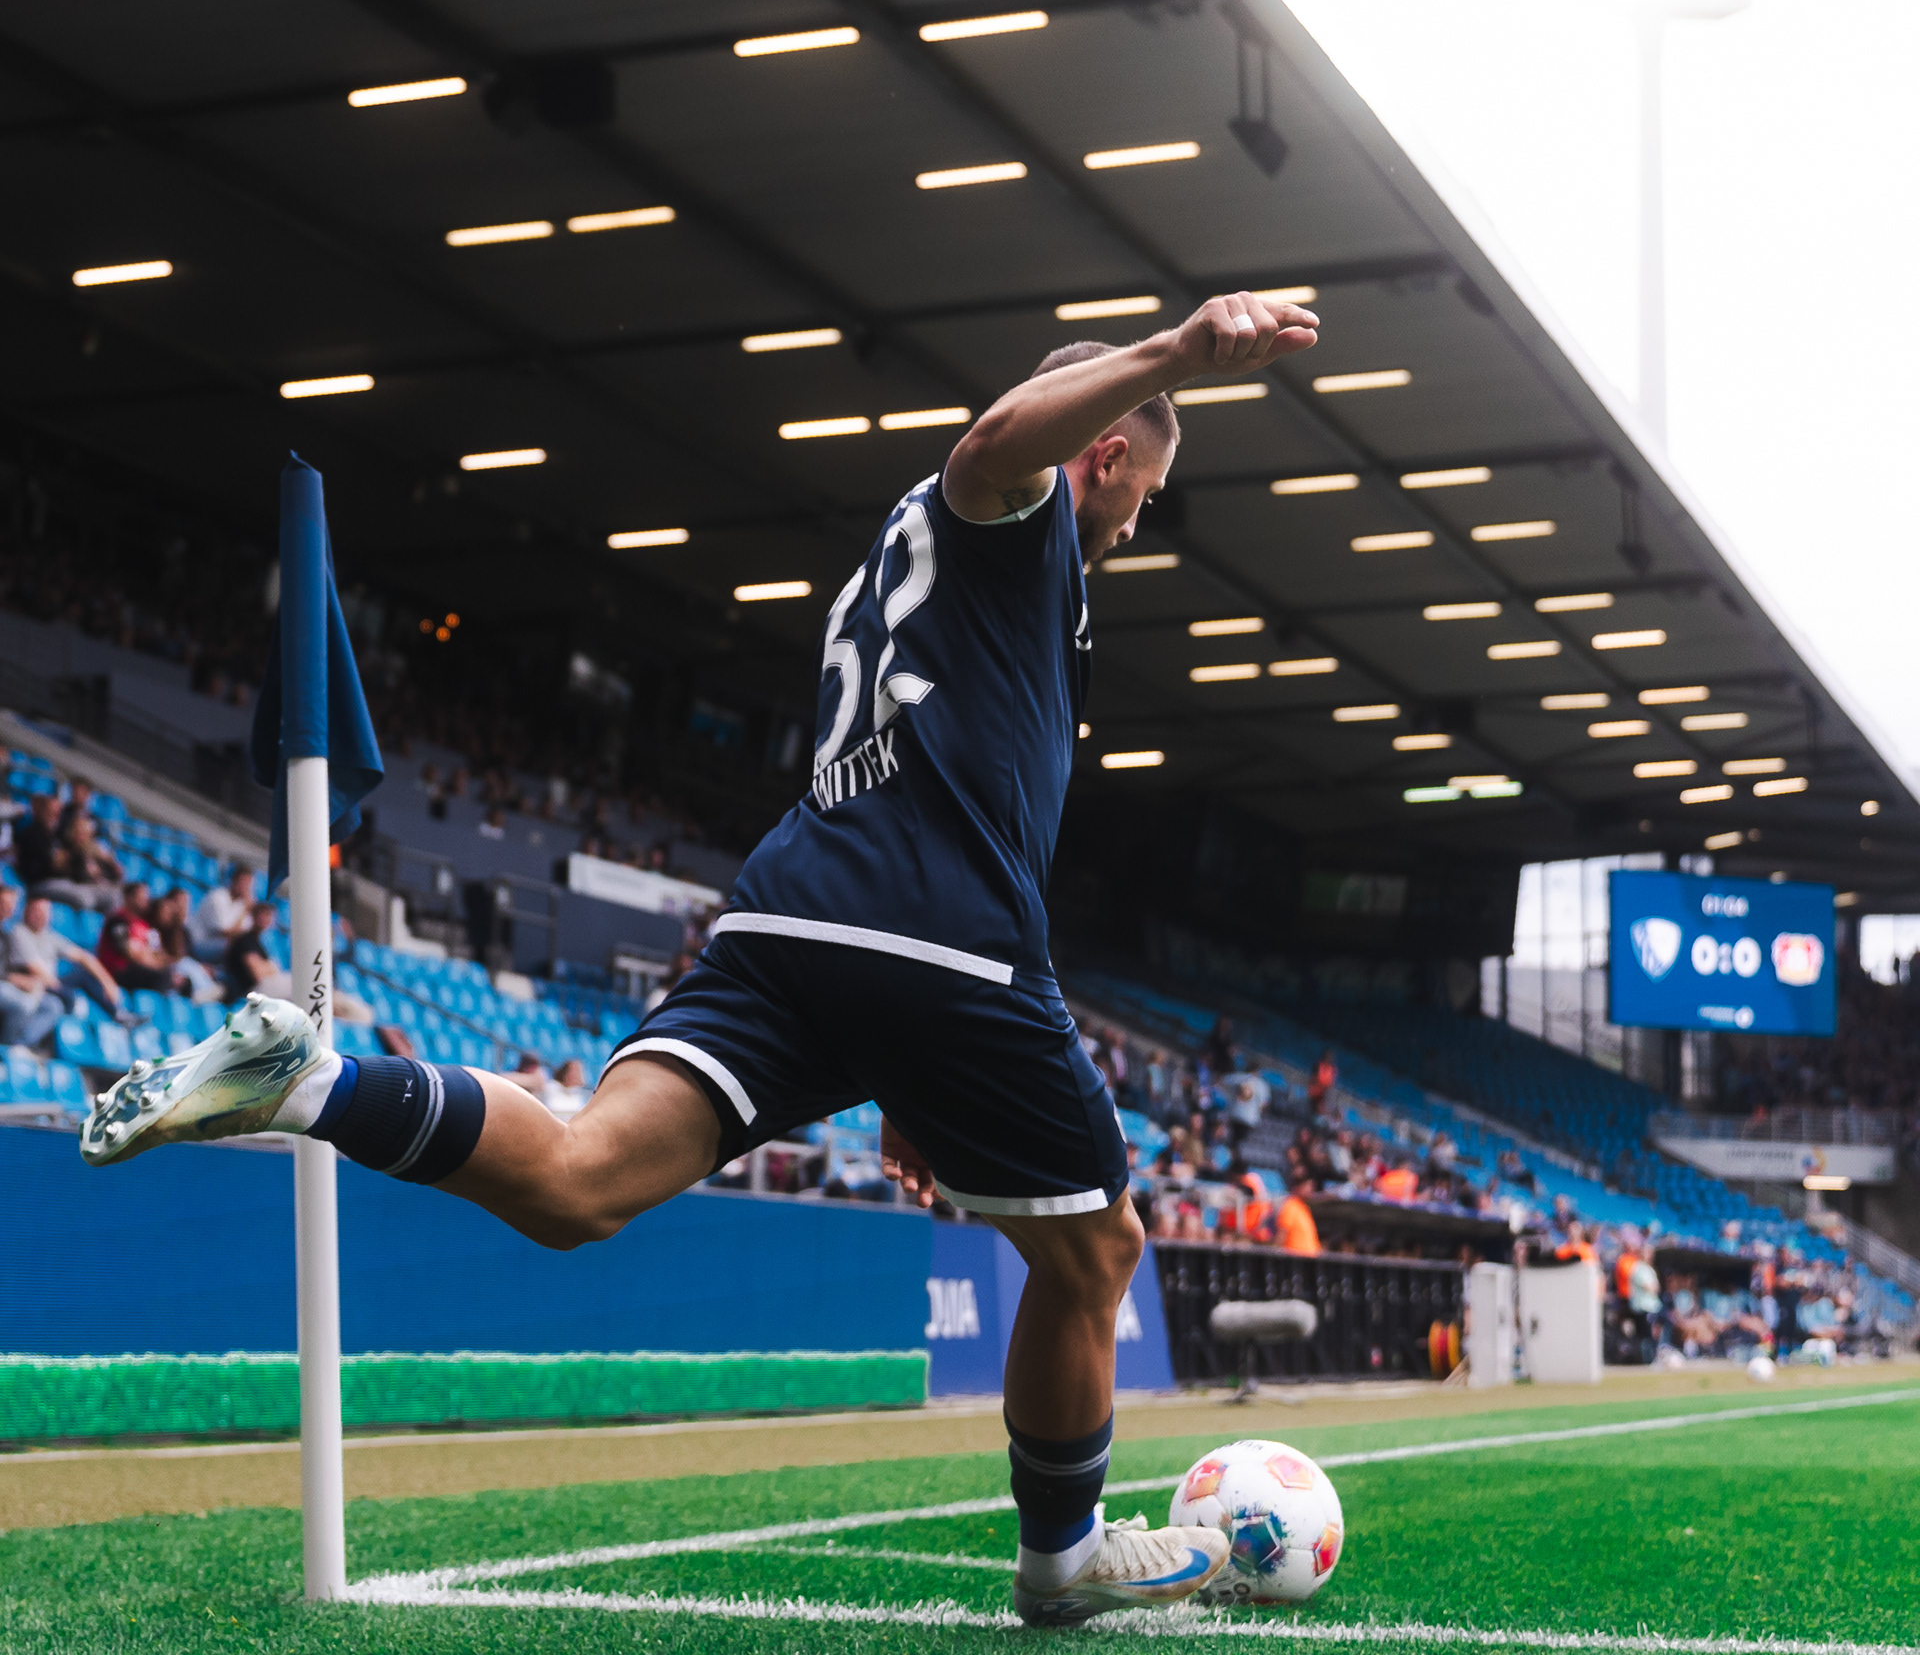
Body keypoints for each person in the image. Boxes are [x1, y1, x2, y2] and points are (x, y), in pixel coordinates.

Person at [76, 291, 1319, 1626]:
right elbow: (991, 447)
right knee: (1097, 1252)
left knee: (580, 1179)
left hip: (797, 917)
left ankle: (307, 1082)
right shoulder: (1011, 511)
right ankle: (1062, 1562)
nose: (1136, 525)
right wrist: (1178, 352)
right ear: (1111, 454)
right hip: (940, 936)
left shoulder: (918, 563)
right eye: (1144, 496)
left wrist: (904, 1068)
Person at [8, 891, 124, 1019]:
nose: (42, 915)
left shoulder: (49, 936)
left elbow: (84, 957)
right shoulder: (18, 932)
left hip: (52, 982)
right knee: (67, 1000)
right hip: (33, 983)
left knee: (83, 977)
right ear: (26, 911)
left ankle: (118, 1014)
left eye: (45, 911)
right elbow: (33, 967)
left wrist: (107, 982)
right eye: (37, 910)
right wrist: (62, 991)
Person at [0, 886, 65, 1051]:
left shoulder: (5, 933)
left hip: (6, 982)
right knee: (24, 1004)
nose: (8, 908)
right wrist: (12, 979)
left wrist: (20, 979)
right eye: (4, 903)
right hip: (4, 983)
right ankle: (7, 1049)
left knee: (52, 1005)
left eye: (11, 904)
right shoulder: (14, 932)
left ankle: (21, 1046)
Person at [191, 865, 258, 965]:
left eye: (248, 884)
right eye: (243, 882)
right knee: (240, 948)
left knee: (252, 949)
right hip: (200, 944)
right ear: (233, 880)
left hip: (221, 948)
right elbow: (226, 933)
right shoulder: (217, 897)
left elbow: (246, 933)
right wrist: (245, 910)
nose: (245, 887)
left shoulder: (241, 904)